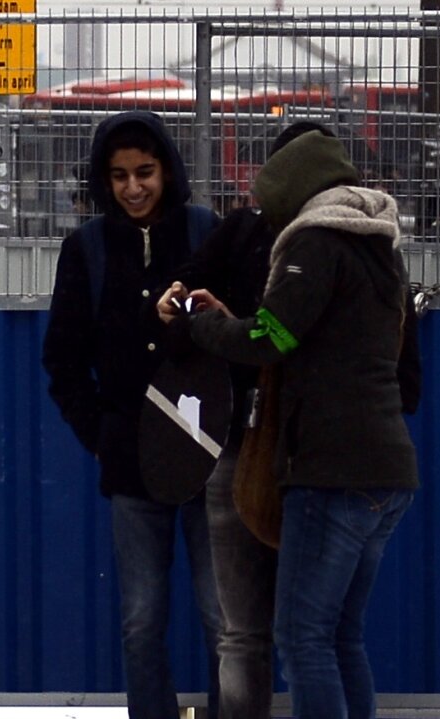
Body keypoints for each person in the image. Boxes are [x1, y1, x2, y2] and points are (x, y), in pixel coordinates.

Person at [159, 128, 419, 719]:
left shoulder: (315, 242)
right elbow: (311, 336)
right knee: (341, 636)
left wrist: (201, 325)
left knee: (302, 637)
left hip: (332, 469)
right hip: (387, 472)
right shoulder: (378, 246)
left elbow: (269, 338)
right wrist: (237, 319)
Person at [42, 110, 222, 719]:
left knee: (223, 618)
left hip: (209, 459)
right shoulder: (86, 249)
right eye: (119, 176)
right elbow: (63, 359)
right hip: (130, 463)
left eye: (144, 172)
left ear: (166, 170)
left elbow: (242, 334)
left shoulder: (205, 233)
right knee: (142, 620)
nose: (133, 187)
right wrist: (102, 435)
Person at [164, 121, 333, 719]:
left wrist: (225, 327)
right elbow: (185, 300)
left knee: (290, 634)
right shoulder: (246, 233)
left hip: (300, 454)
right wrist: (182, 299)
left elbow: (272, 340)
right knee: (280, 633)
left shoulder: (328, 246)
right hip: (256, 446)